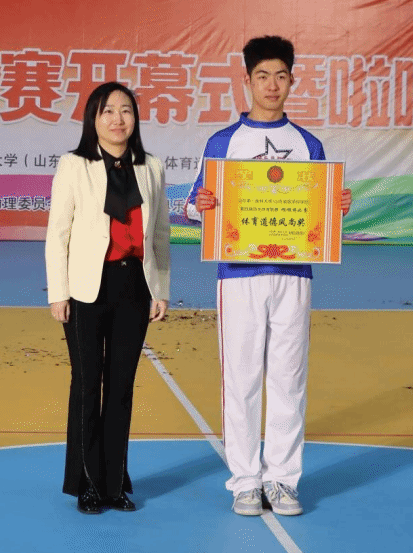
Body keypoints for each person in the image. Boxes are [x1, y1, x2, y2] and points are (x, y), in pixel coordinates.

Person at [186, 35, 352, 517]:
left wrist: (337, 206)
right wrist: (200, 205)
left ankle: (282, 480)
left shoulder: (308, 144)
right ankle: (244, 481)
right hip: (238, 274)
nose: (272, 85)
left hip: (294, 274)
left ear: (292, 81)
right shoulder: (223, 142)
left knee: (289, 378)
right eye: (263, 76)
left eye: (281, 76)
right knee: (240, 379)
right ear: (247, 80)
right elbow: (195, 205)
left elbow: (320, 211)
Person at [45, 81, 171, 514]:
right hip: (85, 288)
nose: (118, 119)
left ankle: (114, 484)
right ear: (93, 120)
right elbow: (57, 233)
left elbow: (160, 234)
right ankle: (86, 484)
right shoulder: (74, 165)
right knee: (87, 386)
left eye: (126, 110)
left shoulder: (152, 167)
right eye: (108, 111)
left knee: (121, 388)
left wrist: (160, 289)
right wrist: (58, 293)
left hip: (134, 285)